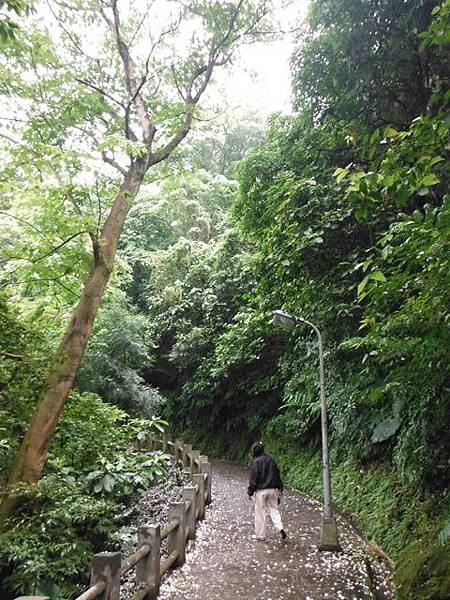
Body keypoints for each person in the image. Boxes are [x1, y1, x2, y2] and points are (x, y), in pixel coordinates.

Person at [246, 441, 287, 541]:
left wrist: (250, 492)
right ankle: (280, 528)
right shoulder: (271, 460)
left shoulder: (256, 462)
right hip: (273, 490)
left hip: (261, 491)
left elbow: (254, 479)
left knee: (260, 513)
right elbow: (277, 474)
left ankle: (260, 536)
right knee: (274, 510)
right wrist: (280, 488)